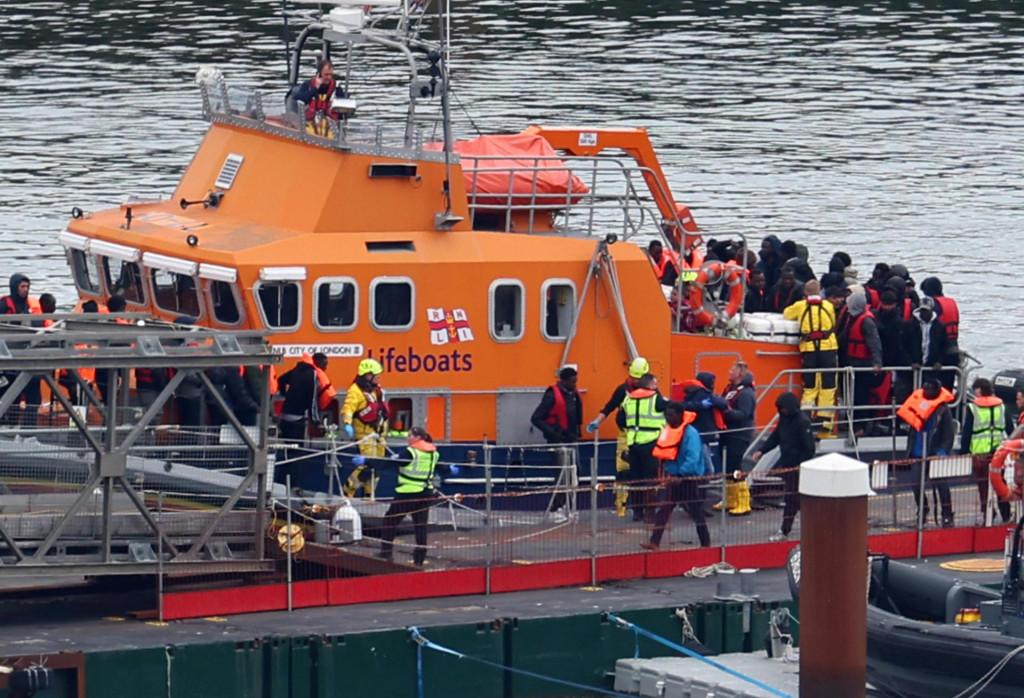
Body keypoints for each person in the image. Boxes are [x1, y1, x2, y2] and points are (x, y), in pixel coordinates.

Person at [641, 403, 709, 550]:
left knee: (696, 512)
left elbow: (693, 456)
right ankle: (654, 542)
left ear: (679, 414)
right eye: (667, 414)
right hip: (674, 478)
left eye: (671, 414)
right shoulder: (670, 431)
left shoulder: (690, 433)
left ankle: (706, 544)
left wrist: (681, 474)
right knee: (664, 510)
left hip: (687, 479)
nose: (668, 417)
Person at [586, 356, 648, 516]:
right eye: (633, 377)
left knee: (644, 472)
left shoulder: (652, 392)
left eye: (638, 378)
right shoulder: (623, 390)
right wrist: (597, 421)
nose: (635, 381)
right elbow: (609, 406)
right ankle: (621, 507)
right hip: (625, 435)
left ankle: (645, 508)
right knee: (622, 470)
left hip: (645, 437)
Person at [752, 391, 816, 542]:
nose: (782, 411)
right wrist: (762, 450)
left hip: (797, 469)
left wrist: (800, 464)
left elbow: (810, 448)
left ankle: (786, 530)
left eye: (784, 408)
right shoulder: (784, 420)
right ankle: (809, 527)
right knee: (796, 500)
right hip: (788, 466)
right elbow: (775, 437)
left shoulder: (802, 422)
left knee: (792, 500)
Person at [376, 427, 440, 566]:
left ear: (417, 437)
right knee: (421, 526)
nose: (407, 438)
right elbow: (439, 467)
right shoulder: (433, 453)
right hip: (425, 494)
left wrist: (366, 462)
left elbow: (389, 463)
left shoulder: (411, 452)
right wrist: (450, 469)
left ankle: (386, 552)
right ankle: (419, 559)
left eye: (410, 435)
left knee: (390, 521)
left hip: (407, 493)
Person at [897, 377, 955, 527]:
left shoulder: (943, 411)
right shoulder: (917, 405)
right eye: (925, 387)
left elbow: (948, 434)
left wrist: (942, 452)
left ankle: (947, 515)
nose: (926, 390)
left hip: (935, 453)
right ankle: (922, 509)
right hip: (917, 452)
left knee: (942, 486)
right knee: (916, 484)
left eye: (929, 388)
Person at [784, 279, 838, 435]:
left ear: (805, 292)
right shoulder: (828, 306)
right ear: (819, 290)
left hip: (809, 350)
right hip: (828, 348)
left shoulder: (800, 306)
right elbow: (833, 322)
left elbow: (787, 314)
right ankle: (825, 424)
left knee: (810, 386)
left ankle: (805, 419)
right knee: (828, 386)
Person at [530, 366, 584, 520]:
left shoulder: (573, 395)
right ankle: (557, 508)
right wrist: (553, 433)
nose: (575, 385)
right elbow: (536, 418)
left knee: (576, 472)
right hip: (558, 441)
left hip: (572, 439)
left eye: (576, 381)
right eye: (573, 382)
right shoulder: (551, 396)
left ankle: (567, 506)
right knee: (562, 475)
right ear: (564, 381)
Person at [960, 377, 1011, 524]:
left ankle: (987, 514)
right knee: (1000, 484)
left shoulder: (973, 408)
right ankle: (1006, 514)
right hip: (998, 453)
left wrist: (963, 451)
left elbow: (967, 432)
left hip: (980, 454)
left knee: (983, 485)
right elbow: (1010, 429)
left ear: (979, 390)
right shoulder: (1002, 406)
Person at [621, 372, 667, 521]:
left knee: (635, 479)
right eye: (655, 384)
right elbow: (671, 412)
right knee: (650, 479)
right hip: (651, 442)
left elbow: (620, 420)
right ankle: (650, 512)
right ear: (651, 385)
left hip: (633, 443)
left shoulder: (628, 399)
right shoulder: (656, 399)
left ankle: (637, 512)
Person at [838, 291, 883, 433]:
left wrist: (877, 362)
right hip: (850, 362)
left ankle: (860, 426)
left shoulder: (867, 321)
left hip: (862, 365)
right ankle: (850, 422)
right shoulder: (850, 316)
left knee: (860, 396)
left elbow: (874, 343)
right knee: (849, 395)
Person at [716, 361, 756, 516]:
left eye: (732, 369)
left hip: (739, 435)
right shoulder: (729, 389)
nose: (729, 371)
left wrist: (726, 411)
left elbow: (744, 415)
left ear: (740, 374)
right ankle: (730, 500)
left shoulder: (746, 393)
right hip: (727, 433)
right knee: (728, 468)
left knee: (737, 467)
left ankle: (743, 502)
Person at [341, 357, 385, 498]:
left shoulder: (374, 390)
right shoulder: (356, 391)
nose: (378, 378)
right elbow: (348, 407)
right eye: (376, 375)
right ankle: (348, 493)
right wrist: (347, 423)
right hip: (365, 434)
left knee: (376, 467)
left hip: (378, 434)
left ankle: (369, 497)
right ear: (367, 375)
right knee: (366, 466)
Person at [918, 277, 960, 392]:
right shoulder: (951, 302)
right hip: (954, 349)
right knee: (948, 388)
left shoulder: (934, 306)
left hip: (940, 352)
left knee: (933, 388)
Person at [682, 371, 728, 475]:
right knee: (709, 468)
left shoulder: (690, 393)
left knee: (700, 463)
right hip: (703, 435)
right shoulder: (705, 394)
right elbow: (723, 404)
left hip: (695, 434)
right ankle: (705, 487)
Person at [294, 58, 344, 134]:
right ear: (320, 73)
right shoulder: (308, 85)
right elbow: (300, 99)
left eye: (331, 74)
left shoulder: (336, 88)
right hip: (310, 124)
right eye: (326, 75)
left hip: (330, 126)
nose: (329, 78)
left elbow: (343, 107)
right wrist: (315, 89)